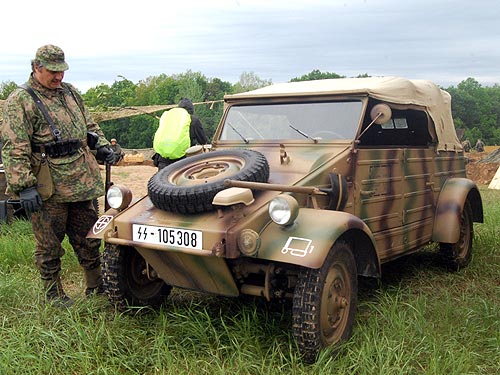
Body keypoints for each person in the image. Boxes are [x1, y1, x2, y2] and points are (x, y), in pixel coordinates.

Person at [0, 44, 115, 306]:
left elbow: (89, 125)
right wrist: (24, 185)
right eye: (53, 71)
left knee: (88, 236)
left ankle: (95, 286)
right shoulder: (21, 100)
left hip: (80, 179)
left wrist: (102, 145)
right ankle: (54, 294)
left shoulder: (71, 93)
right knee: (49, 244)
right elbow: (14, 145)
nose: (58, 77)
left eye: (61, 71)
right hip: (48, 182)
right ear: (36, 67)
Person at [153, 98, 208, 170]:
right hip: (183, 162)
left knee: (161, 181)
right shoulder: (193, 120)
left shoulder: (169, 118)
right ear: (191, 110)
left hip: (163, 160)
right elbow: (203, 140)